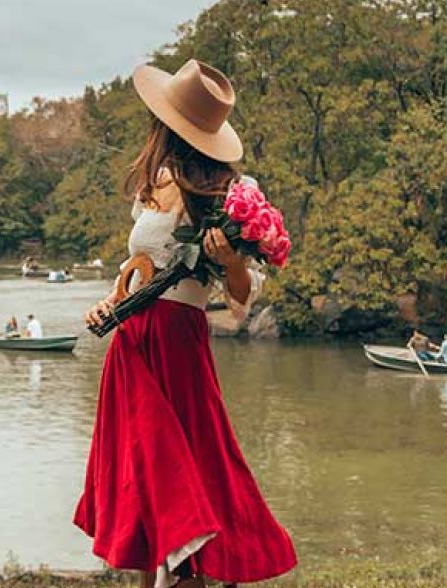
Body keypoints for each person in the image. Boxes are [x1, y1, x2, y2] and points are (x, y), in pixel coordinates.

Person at [76, 59, 297, 588]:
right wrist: (110, 301)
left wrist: (231, 260)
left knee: (184, 464)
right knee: (148, 469)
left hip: (177, 342)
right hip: (133, 341)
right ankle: (176, 574)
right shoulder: (153, 184)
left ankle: (188, 573)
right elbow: (137, 267)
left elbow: (242, 299)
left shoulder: (227, 196)